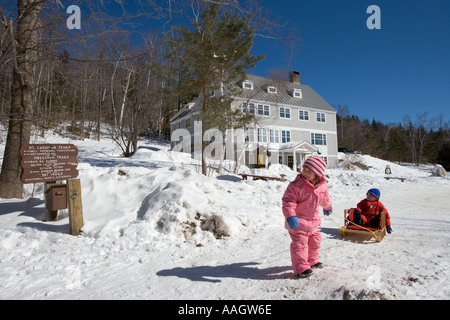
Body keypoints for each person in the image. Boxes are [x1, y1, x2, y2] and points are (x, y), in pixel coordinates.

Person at [282, 155, 333, 279]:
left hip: (314, 222)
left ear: (317, 174)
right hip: (298, 222)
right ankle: (301, 268)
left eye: (309, 171)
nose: (305, 173)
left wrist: (327, 207)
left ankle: (312, 261)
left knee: (315, 242)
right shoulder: (296, 185)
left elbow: (324, 198)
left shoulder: (322, 186)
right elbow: (288, 201)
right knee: (300, 244)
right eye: (304, 169)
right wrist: (290, 216)